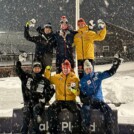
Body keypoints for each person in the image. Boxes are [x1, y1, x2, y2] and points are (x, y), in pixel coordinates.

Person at [80, 57, 122, 134]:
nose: (88, 70)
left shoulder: (98, 75)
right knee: (84, 111)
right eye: (86, 69)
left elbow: (109, 73)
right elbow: (81, 94)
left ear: (92, 68)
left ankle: (109, 131)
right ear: (84, 70)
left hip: (99, 101)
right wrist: (85, 99)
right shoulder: (82, 80)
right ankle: (86, 131)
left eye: (89, 68)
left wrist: (115, 66)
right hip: (89, 102)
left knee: (108, 111)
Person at [16, 59, 55, 134]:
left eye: (38, 68)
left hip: (39, 104)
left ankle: (36, 131)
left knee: (35, 111)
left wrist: (45, 99)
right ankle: (24, 132)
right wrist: (18, 62)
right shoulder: (27, 77)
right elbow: (18, 71)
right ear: (32, 68)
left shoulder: (44, 80)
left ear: (40, 69)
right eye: (35, 68)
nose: (36, 69)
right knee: (26, 112)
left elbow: (52, 90)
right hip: (28, 102)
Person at [44, 60, 81, 134]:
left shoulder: (74, 78)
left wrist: (73, 89)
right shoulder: (57, 77)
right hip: (59, 100)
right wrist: (48, 68)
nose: (65, 70)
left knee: (78, 112)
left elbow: (77, 93)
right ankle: (53, 131)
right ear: (62, 68)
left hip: (71, 100)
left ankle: (76, 131)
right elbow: (47, 78)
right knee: (51, 110)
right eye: (64, 68)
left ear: (70, 68)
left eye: (67, 68)